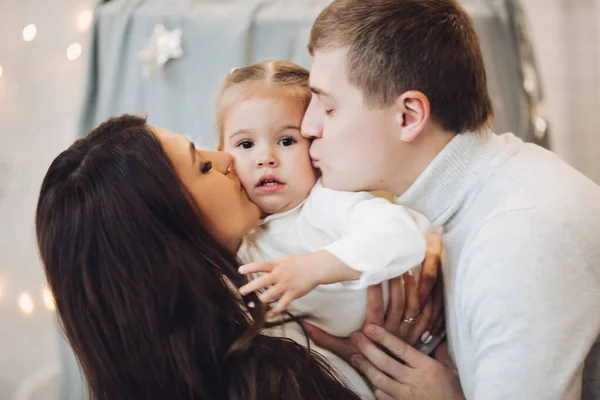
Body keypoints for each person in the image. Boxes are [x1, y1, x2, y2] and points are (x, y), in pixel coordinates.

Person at [300, 0, 600, 399]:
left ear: (408, 116)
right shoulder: (478, 203)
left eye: (329, 106)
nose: (308, 126)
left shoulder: (520, 235)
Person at [35, 114, 441, 400]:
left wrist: (370, 354)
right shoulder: (254, 373)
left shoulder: (251, 302)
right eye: (203, 165)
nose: (229, 160)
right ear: (165, 227)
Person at [216, 60, 440, 345]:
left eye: (286, 141)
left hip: (426, 337)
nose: (266, 158)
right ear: (223, 155)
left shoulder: (328, 202)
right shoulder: (240, 239)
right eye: (246, 145)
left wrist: (315, 267)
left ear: (315, 141)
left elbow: (404, 236)